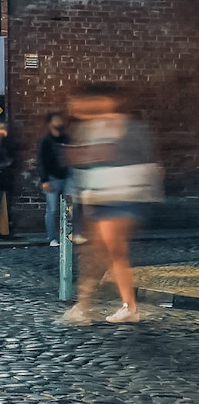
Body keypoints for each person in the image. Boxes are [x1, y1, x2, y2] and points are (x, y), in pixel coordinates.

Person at [60, 85, 161, 325]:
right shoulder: (103, 127)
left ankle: (86, 307)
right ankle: (123, 306)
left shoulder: (106, 128)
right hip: (112, 198)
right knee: (112, 254)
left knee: (103, 253)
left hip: (114, 197)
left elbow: (89, 163)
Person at [39, 111, 72, 246]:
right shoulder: (45, 141)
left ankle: (68, 235)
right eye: (56, 120)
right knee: (52, 209)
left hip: (68, 176)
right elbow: (41, 161)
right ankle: (51, 238)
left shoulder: (67, 139)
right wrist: (44, 179)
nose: (59, 123)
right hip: (52, 178)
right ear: (50, 123)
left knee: (70, 207)